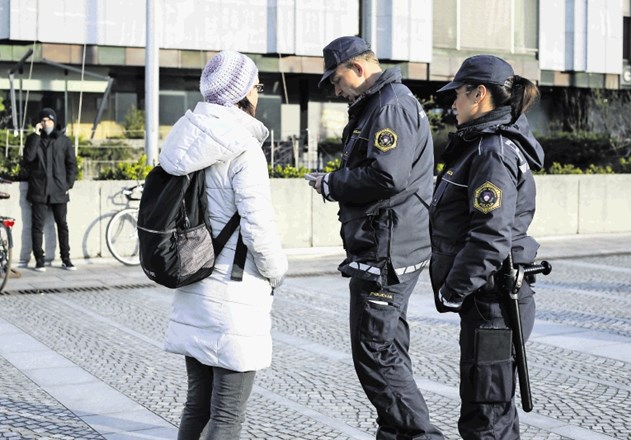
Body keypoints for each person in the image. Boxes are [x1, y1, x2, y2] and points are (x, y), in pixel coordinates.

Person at [312, 36, 444, 440]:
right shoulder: (380, 104)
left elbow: (388, 175)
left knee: (375, 353)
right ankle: (396, 434)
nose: (336, 90)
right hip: (386, 243)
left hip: (386, 249)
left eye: (336, 80)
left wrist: (332, 183)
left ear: (357, 68)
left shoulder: (389, 106)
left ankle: (421, 436)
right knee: (387, 349)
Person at [159, 50, 288, 439]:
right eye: (257, 86)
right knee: (228, 414)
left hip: (194, 281)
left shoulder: (185, 140)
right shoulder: (244, 148)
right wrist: (277, 271)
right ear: (243, 92)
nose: (259, 92)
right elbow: (258, 226)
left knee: (196, 405)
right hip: (234, 295)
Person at [430, 54, 545, 439]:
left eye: (458, 95)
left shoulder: (491, 150)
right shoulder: (485, 144)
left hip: (493, 300)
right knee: (491, 410)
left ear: (479, 94)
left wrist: (452, 290)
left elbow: (490, 237)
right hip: (491, 298)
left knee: (486, 418)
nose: (452, 104)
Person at [23, 107, 78, 272]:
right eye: (43, 120)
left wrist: (68, 184)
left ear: (54, 121)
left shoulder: (64, 141)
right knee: (37, 226)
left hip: (59, 191)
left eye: (49, 120)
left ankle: (66, 259)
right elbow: (28, 159)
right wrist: (35, 136)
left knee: (62, 225)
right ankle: (39, 260)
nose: (46, 123)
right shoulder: (34, 139)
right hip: (39, 190)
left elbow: (72, 165)